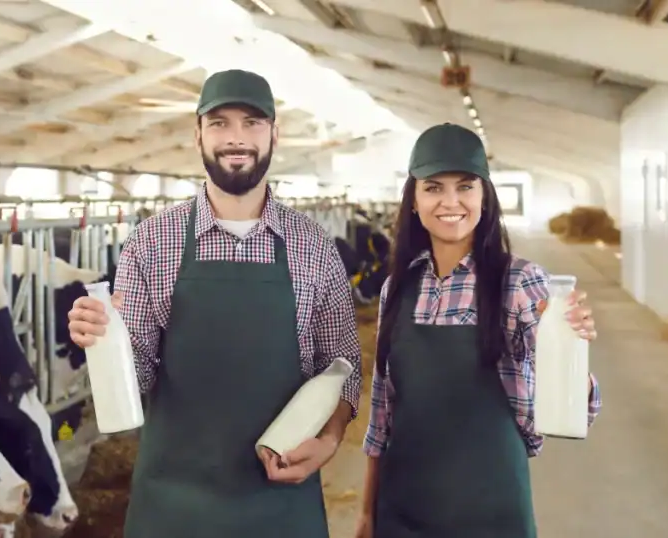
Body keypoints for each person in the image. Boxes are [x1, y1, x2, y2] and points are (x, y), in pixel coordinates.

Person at [67, 68, 363, 538]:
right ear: (199, 133)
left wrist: (329, 439)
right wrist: (103, 340)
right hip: (173, 505)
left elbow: (341, 363)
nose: (236, 138)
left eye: (252, 123)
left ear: (273, 134)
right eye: (220, 123)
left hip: (281, 502)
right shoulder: (151, 242)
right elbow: (138, 376)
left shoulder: (314, 245)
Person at [355, 123, 602, 538]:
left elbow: (580, 408)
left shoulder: (520, 283)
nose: (450, 201)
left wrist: (567, 346)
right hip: (402, 510)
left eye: (465, 186)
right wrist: (366, 512)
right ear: (413, 200)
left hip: (491, 513)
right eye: (433, 188)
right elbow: (382, 412)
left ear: (484, 196)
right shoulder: (396, 288)